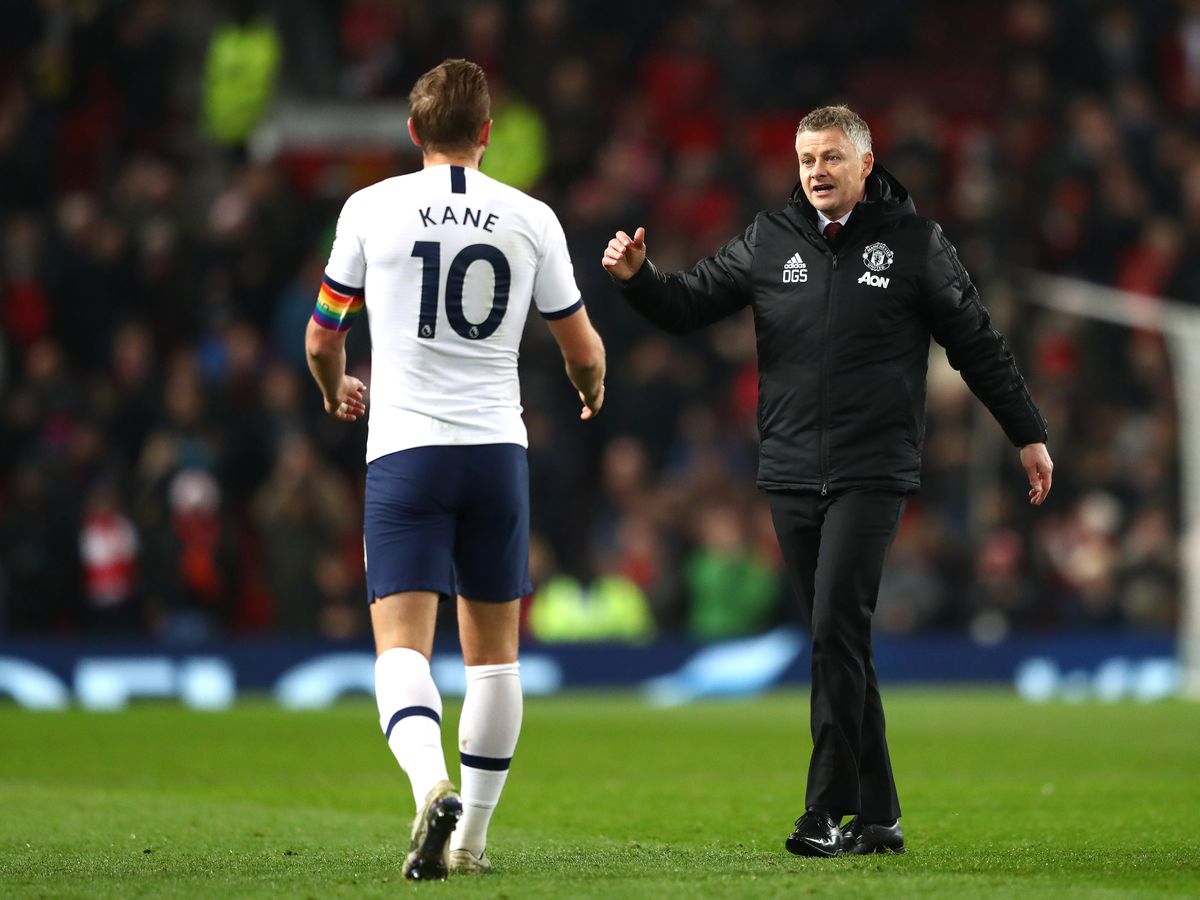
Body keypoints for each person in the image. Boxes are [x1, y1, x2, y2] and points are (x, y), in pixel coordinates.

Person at [602, 105, 1052, 857]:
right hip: (788, 470)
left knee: (833, 630)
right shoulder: (769, 239)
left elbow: (976, 341)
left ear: (865, 165)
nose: (816, 171)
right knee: (841, 641)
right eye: (807, 158)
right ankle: (881, 816)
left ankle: (827, 812)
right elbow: (686, 305)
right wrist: (639, 279)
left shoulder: (914, 243)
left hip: (872, 469)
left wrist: (1027, 432)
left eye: (832, 158)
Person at [306, 58, 605, 880]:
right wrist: (591, 388)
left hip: (405, 452)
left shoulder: (370, 208)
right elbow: (580, 346)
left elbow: (322, 336)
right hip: (495, 453)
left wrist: (337, 393)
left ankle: (427, 781)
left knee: (401, 649)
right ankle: (470, 839)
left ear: (412, 132)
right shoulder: (532, 218)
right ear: (487, 134)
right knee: (495, 659)